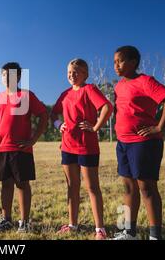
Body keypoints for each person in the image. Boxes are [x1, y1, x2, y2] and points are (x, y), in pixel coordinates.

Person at [112, 45, 165, 240]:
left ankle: (155, 236)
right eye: (114, 62)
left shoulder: (144, 81)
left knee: (146, 188)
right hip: (123, 143)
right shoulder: (118, 85)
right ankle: (129, 232)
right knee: (128, 187)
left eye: (120, 61)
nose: (116, 65)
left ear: (133, 62)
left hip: (143, 142)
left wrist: (159, 126)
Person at [51, 59, 112, 240]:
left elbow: (107, 107)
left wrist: (95, 127)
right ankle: (72, 225)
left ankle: (100, 229)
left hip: (87, 146)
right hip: (67, 146)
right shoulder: (65, 94)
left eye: (76, 72)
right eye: (69, 72)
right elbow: (53, 113)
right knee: (72, 186)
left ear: (85, 74)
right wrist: (58, 124)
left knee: (92, 187)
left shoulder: (89, 90)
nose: (72, 75)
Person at [0, 62, 48, 233]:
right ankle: (6, 220)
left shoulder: (26, 95)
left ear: (18, 77)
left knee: (22, 184)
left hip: (21, 149)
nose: (7, 78)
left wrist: (33, 139)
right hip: (2, 148)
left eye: (11, 75)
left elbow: (43, 115)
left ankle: (24, 222)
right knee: (6, 185)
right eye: (4, 75)